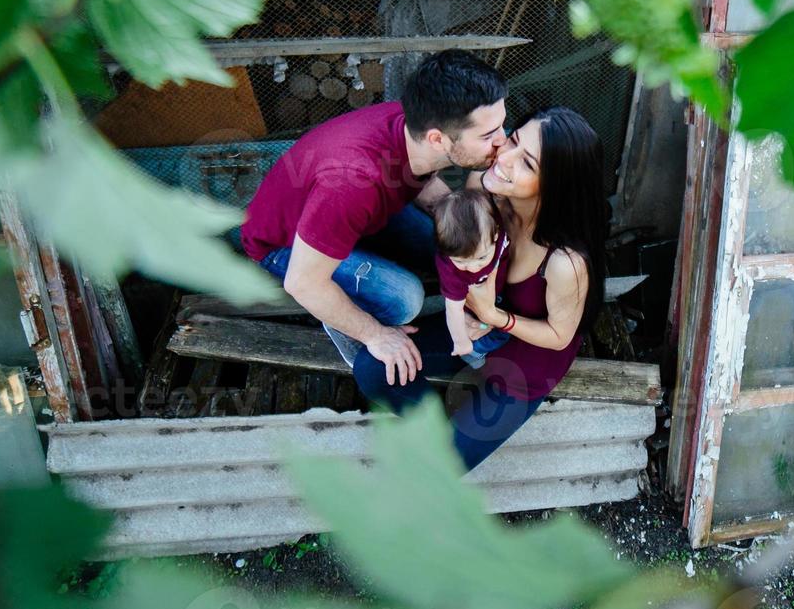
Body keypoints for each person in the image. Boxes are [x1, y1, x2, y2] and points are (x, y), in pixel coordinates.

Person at [351, 106, 607, 471]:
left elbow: (559, 336)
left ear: (555, 186)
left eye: (528, 164)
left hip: (526, 361)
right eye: (514, 141)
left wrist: (493, 316)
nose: (504, 159)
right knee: (375, 367)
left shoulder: (566, 261)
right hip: (471, 327)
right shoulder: (486, 195)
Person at [240, 50, 507, 375]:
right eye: (488, 135)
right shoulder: (352, 184)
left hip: (352, 215)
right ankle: (344, 325)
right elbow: (302, 283)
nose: (502, 141)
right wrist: (375, 334)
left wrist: (467, 222)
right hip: (285, 246)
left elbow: (418, 178)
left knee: (459, 239)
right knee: (405, 299)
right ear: (438, 138)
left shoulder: (413, 129)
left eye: (501, 126)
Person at [432, 189, 512, 368]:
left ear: (497, 234)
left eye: (481, 257)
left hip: (497, 289)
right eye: (461, 261)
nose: (474, 267)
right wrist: (461, 342)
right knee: (501, 333)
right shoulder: (453, 273)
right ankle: (473, 352)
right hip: (470, 301)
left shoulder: (493, 227)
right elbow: (453, 310)